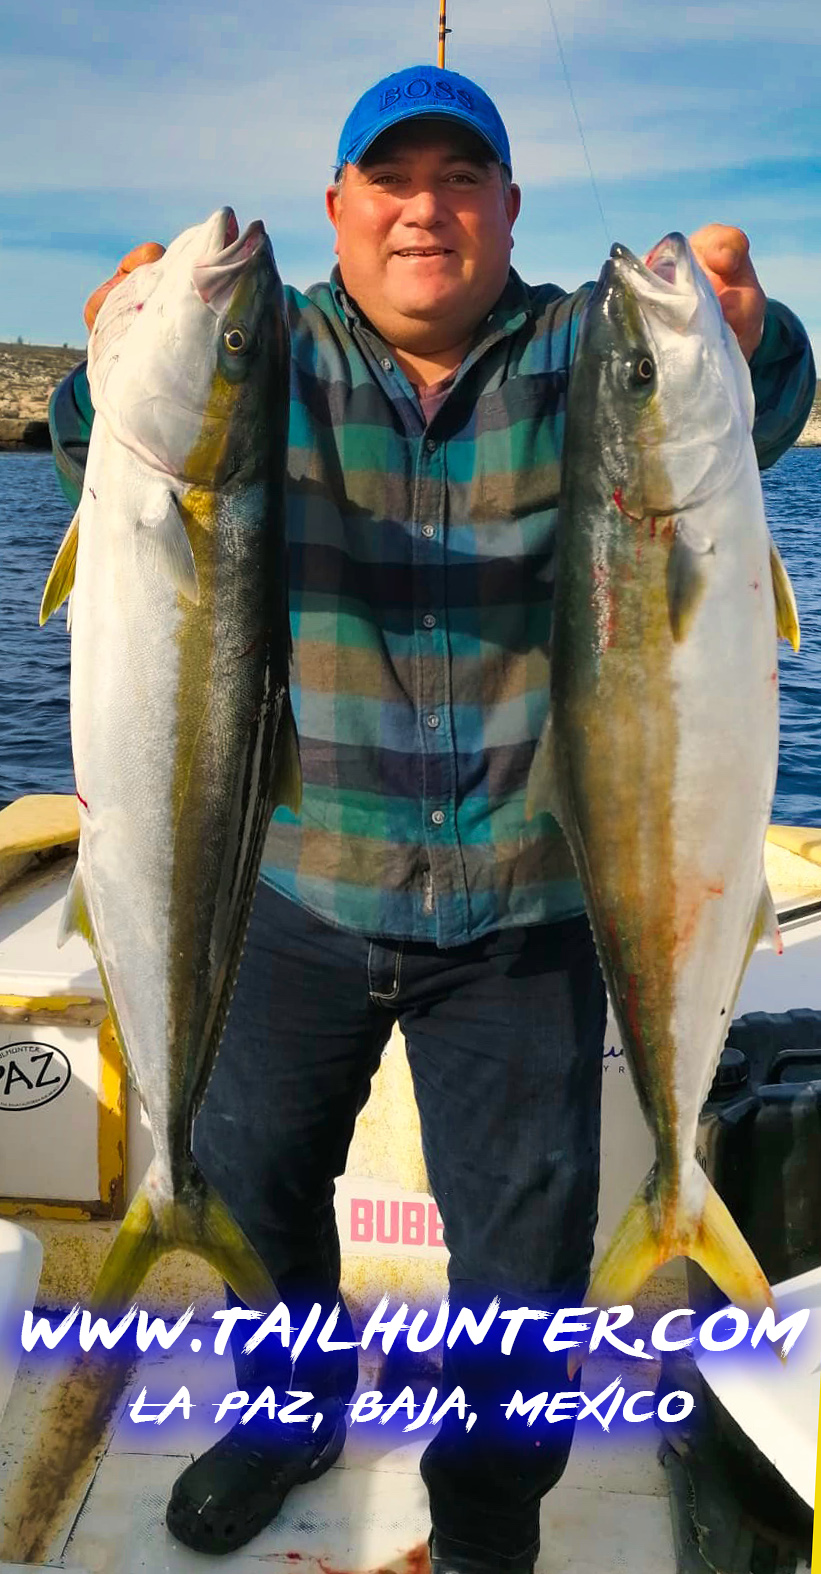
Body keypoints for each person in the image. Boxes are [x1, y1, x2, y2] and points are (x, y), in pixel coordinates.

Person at [50, 62, 815, 1574]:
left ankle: (483, 1515)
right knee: (253, 1187)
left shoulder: (582, 346)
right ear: (338, 206)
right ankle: (289, 1413)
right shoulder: (268, 345)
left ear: (510, 208)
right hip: (288, 893)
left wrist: (755, 331)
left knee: (523, 1265)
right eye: (391, 180)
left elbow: (753, 410)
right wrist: (103, 362)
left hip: (528, 911)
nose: (425, 210)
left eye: (460, 179)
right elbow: (111, 449)